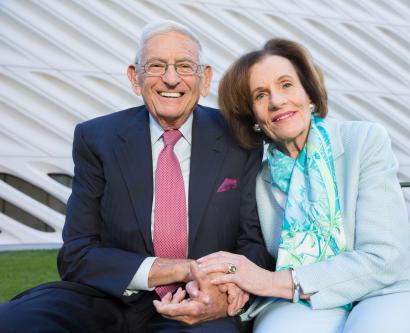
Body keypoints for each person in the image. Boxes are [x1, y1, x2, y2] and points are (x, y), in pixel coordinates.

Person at [0, 20, 273, 333]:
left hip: (199, 303)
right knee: (17, 321)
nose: (171, 79)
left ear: (205, 78)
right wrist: (176, 269)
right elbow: (77, 255)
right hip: (110, 297)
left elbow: (252, 244)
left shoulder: (240, 140)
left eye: (185, 65)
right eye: (156, 65)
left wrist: (223, 291)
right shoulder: (96, 138)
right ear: (135, 77)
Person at [190, 39, 410, 332]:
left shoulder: (363, 141)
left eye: (286, 84)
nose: (276, 101)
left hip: (397, 287)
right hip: (313, 299)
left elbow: (385, 257)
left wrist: (272, 282)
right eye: (261, 95)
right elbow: (254, 252)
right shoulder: (261, 181)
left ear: (309, 93)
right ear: (252, 116)